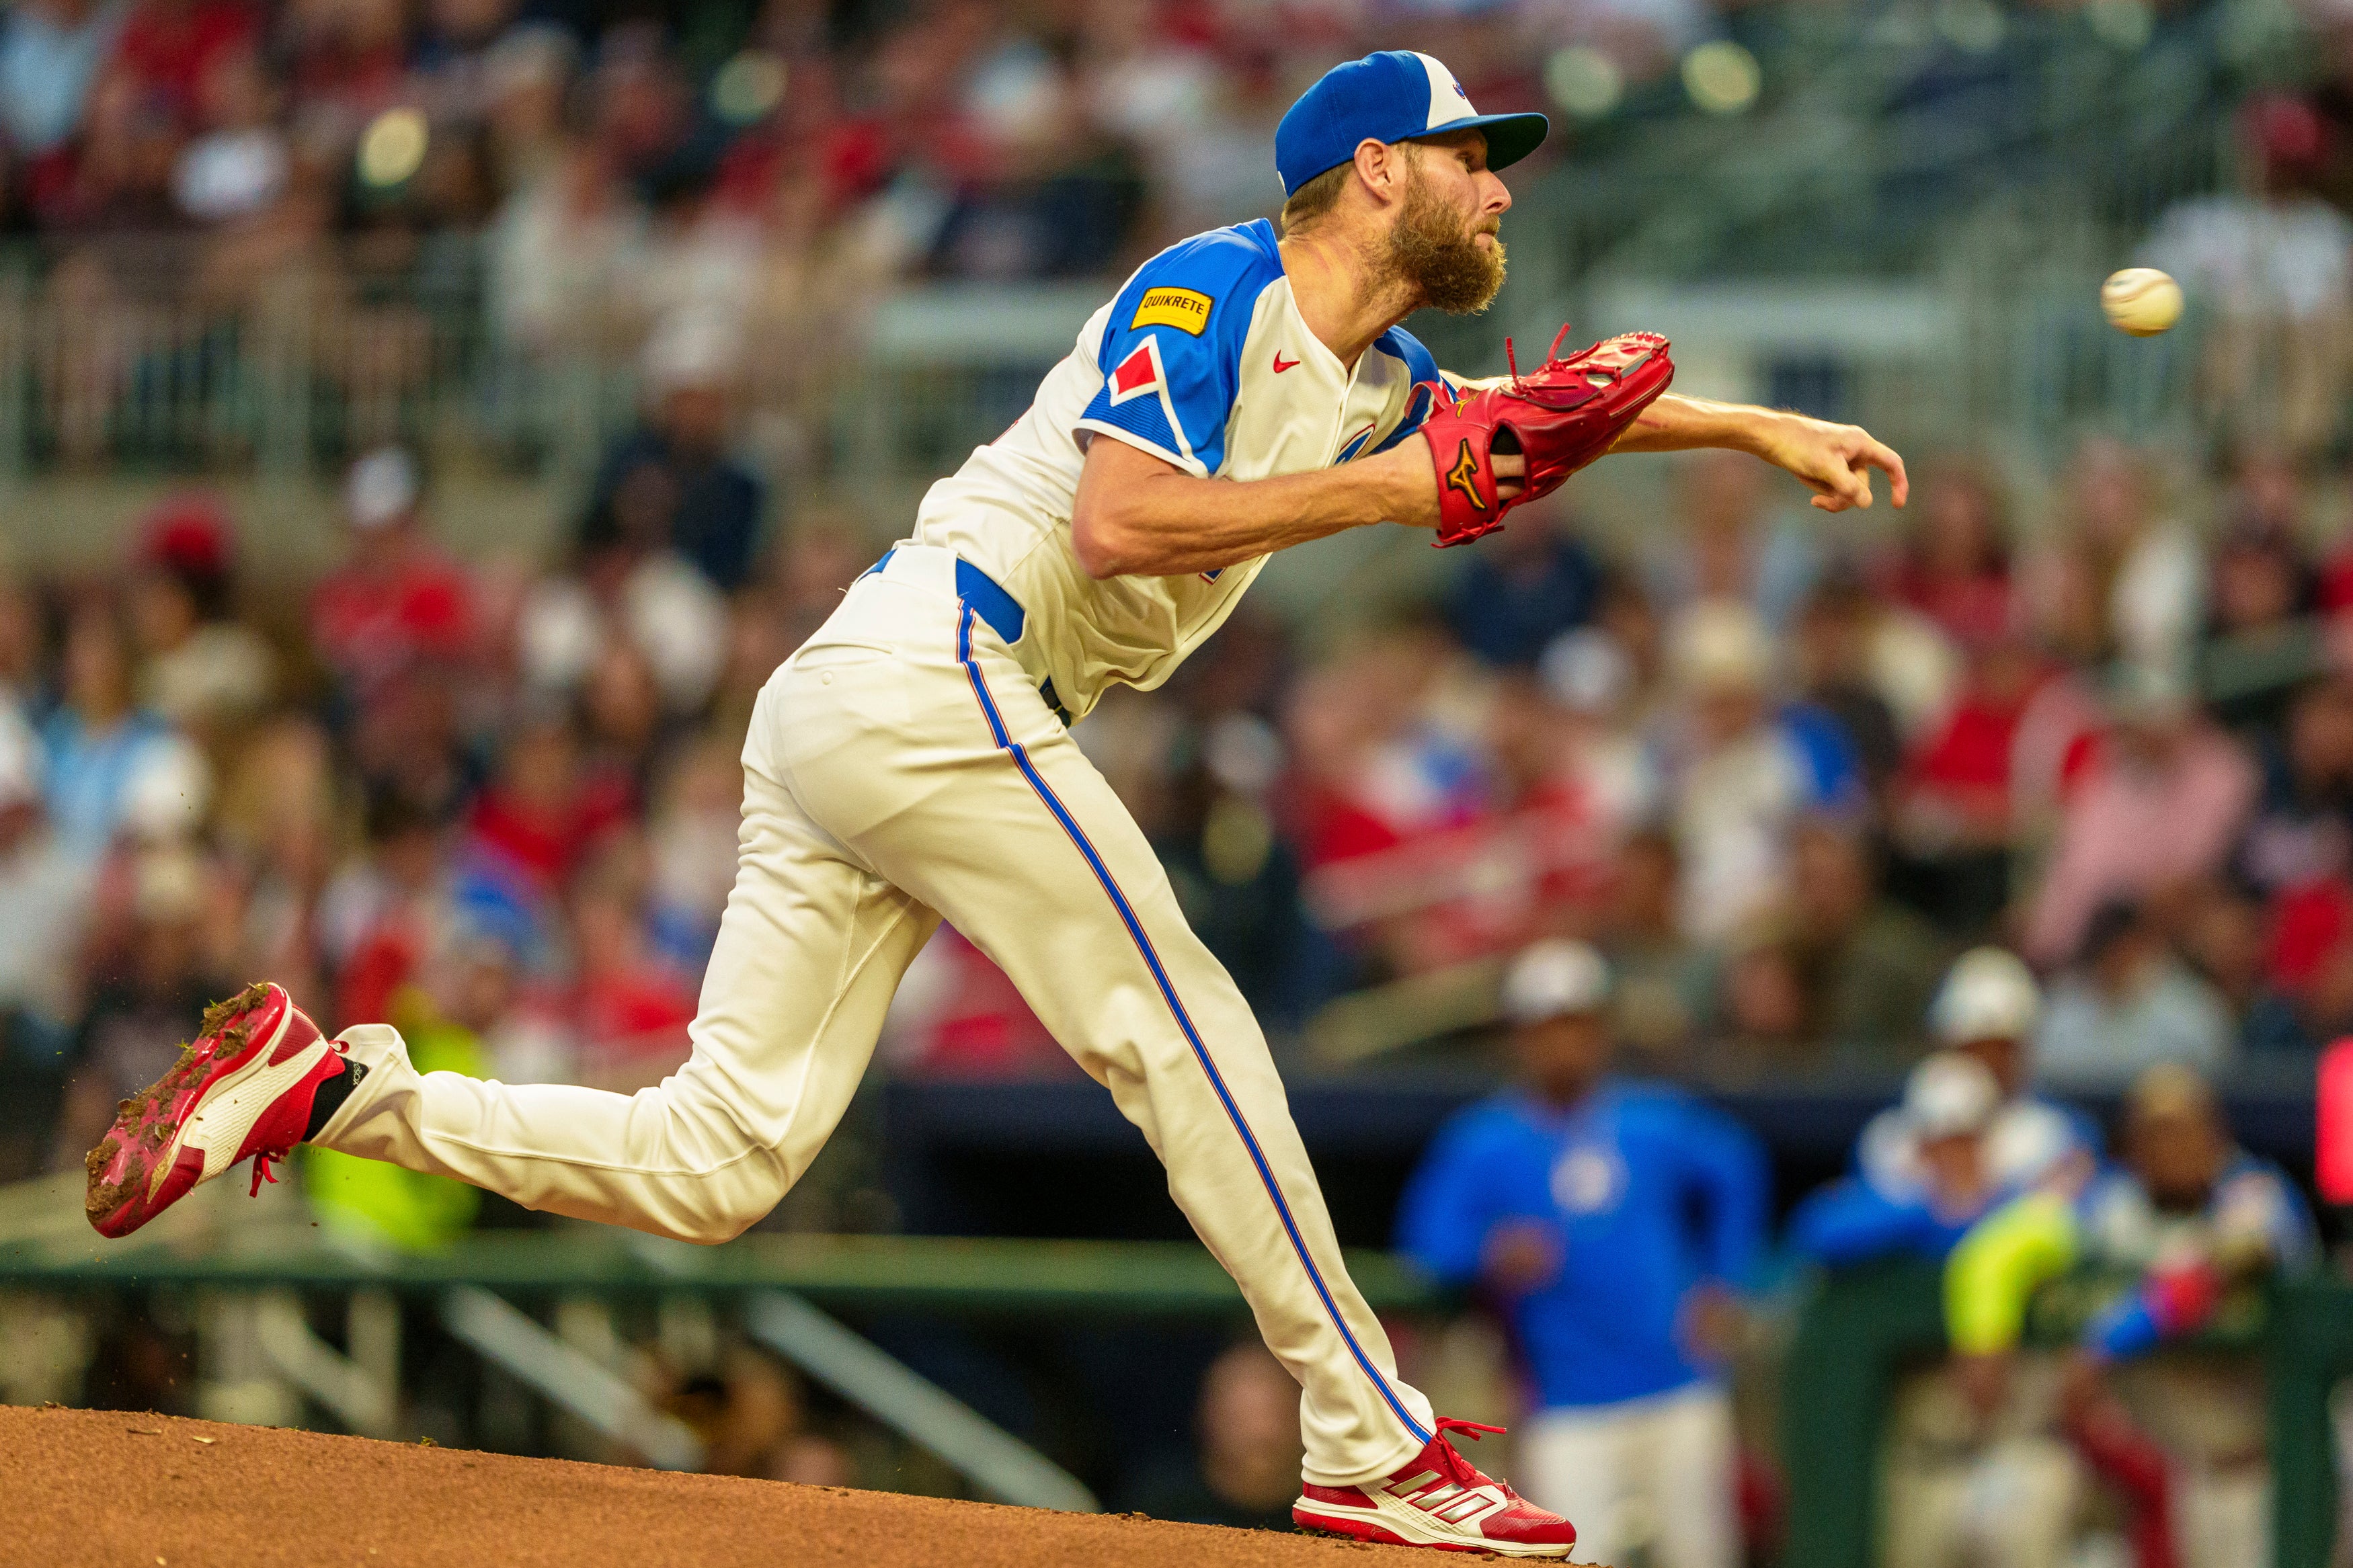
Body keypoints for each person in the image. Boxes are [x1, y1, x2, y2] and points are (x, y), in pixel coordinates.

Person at [85, 49, 1905, 1559]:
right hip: (929, 668)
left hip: (878, 709)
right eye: (1470, 160)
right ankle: (1373, 1439)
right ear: (1370, 174)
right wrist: (1397, 495)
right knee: (1181, 1016)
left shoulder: (1374, 378)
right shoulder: (1215, 289)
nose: (1498, 190)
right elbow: (1124, 520)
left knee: (720, 1161)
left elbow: (1516, 416)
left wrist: (1749, 431)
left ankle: (333, 1086)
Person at [1397, 940, 1767, 1568]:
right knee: (1576, 1556)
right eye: (1546, 1028)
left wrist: (1724, 1281)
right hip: (1566, 1402)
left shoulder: (1650, 1119)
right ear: (1520, 1038)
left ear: (1600, 1031)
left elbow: (1737, 1166)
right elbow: (1425, 1242)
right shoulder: (1486, 1140)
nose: (1563, 1044)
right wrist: (1490, 1250)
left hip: (1678, 1384)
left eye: (1577, 1025)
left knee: (1702, 1553)